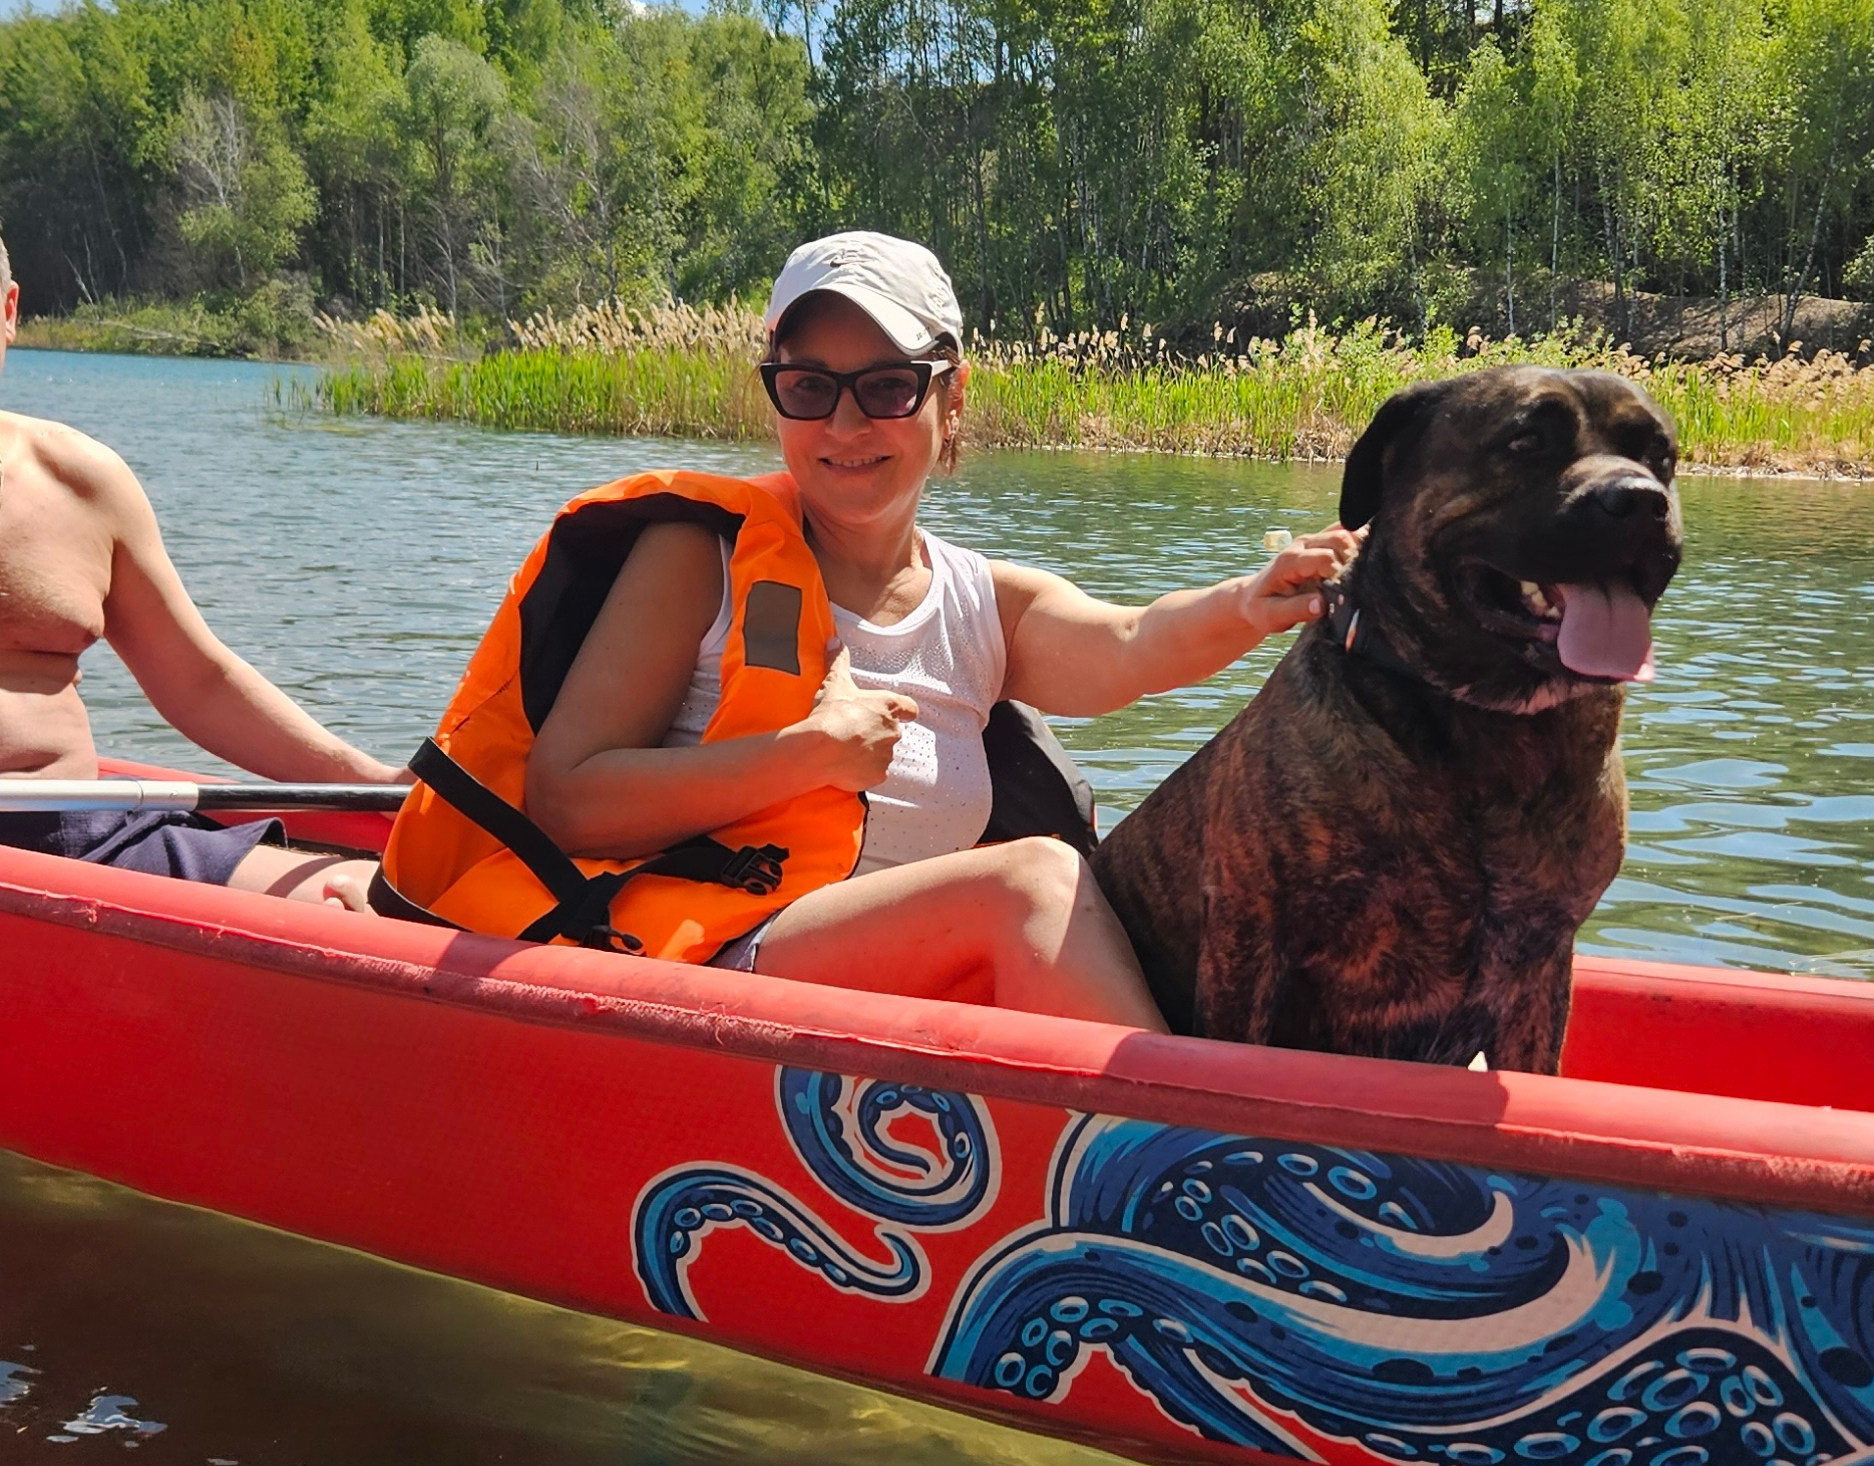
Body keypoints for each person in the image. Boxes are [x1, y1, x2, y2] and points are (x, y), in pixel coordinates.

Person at [380, 231, 1355, 1026]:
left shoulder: (980, 602)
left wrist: (1247, 601)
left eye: (886, 386)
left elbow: (1132, 643)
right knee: (1027, 886)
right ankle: (1189, 1181)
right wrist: (803, 755)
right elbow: (569, 798)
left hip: (899, 1010)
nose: (843, 425)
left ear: (951, 395)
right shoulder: (697, 560)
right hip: (700, 977)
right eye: (808, 386)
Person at [0, 226, 396, 904]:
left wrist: (378, 783)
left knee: (370, 899)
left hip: (83, 837)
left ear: (8, 312)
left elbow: (199, 681)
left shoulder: (81, 480)